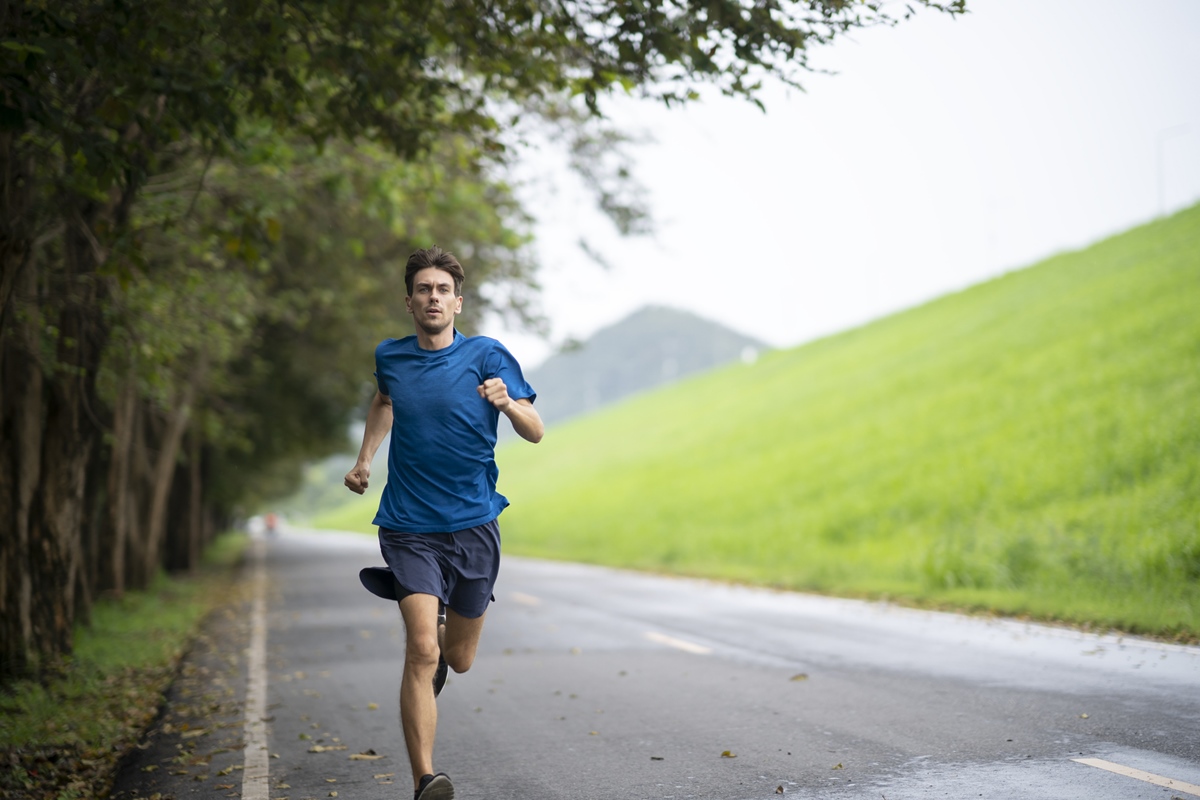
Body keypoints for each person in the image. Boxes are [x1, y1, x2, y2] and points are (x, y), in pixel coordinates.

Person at [344, 246, 543, 800]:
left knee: (457, 658)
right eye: (423, 289)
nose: (433, 297)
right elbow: (384, 401)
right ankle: (424, 779)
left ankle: (438, 626)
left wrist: (507, 404)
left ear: (458, 301)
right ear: (409, 302)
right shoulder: (392, 357)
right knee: (422, 653)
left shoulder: (488, 356)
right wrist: (365, 460)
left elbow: (536, 430)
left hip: (474, 524)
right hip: (408, 524)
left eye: (442, 290)